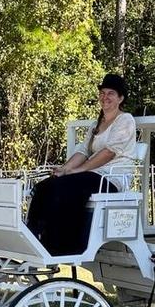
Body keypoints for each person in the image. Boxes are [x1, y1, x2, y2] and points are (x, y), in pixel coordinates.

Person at [26, 73, 137, 255]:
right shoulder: (97, 123)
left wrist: (78, 171)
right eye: (102, 93)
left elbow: (108, 153)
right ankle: (34, 235)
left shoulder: (125, 120)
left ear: (120, 98)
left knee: (68, 188)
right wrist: (64, 169)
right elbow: (83, 151)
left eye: (111, 93)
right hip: (92, 175)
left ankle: (61, 245)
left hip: (111, 178)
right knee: (46, 186)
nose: (105, 97)